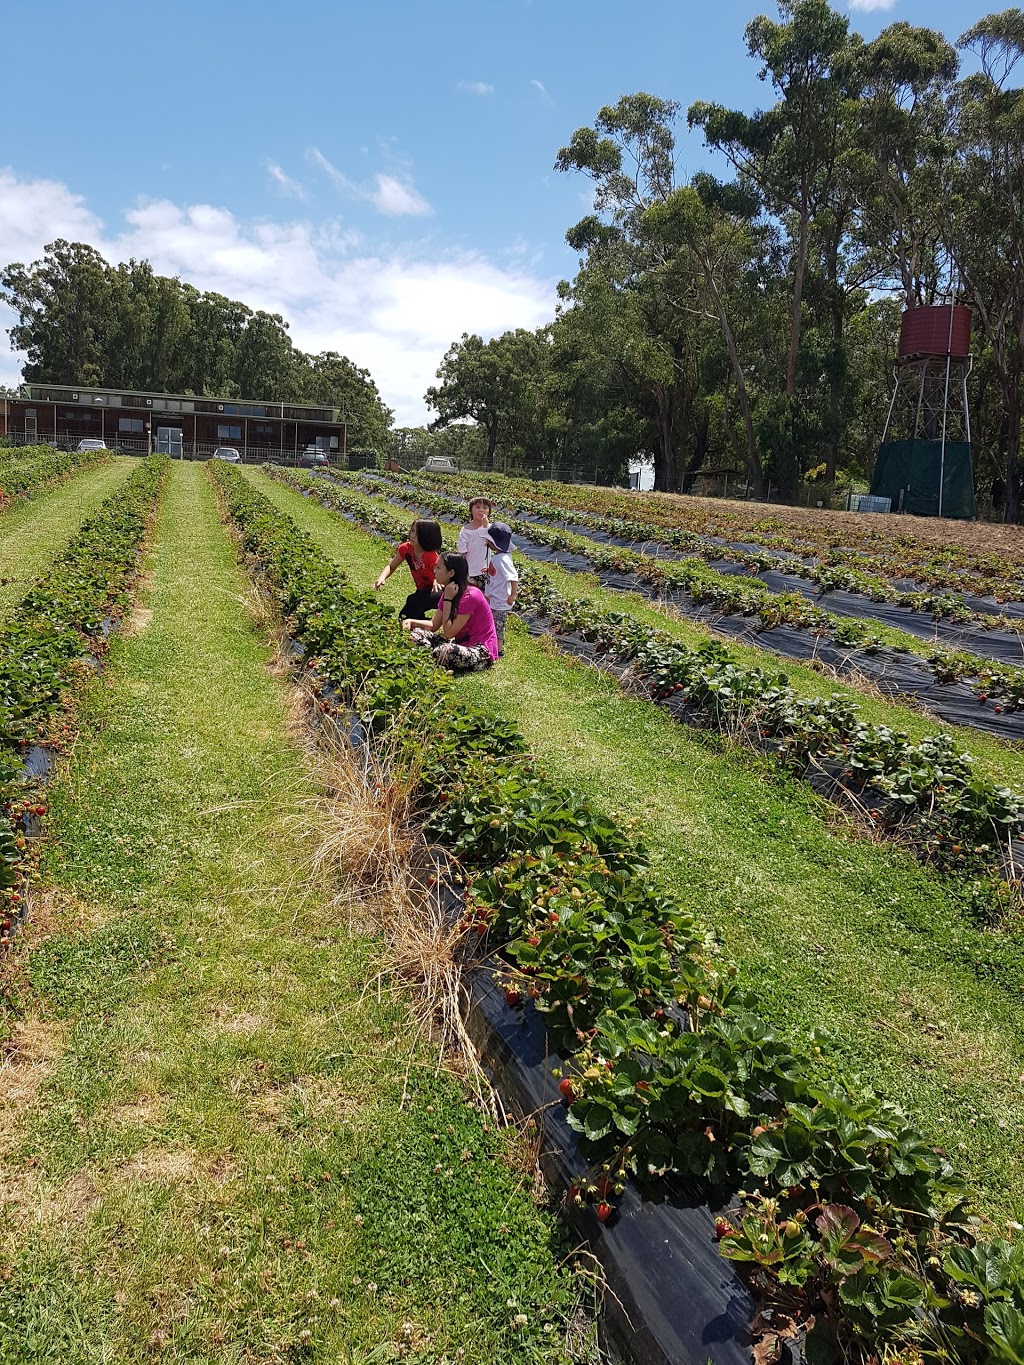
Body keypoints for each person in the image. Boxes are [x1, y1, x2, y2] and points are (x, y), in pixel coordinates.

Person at [402, 551, 498, 672]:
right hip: (459, 645)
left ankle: (427, 659)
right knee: (416, 634)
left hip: (480, 652)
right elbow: (433, 625)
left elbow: (449, 633)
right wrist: (411, 622)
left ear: (451, 573)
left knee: (445, 651)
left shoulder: (471, 596)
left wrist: (448, 599)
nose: (434, 570)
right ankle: (431, 659)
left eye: (438, 567)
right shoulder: (449, 591)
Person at [373, 519, 443, 620]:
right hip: (422, 590)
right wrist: (382, 578)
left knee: (413, 601)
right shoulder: (405, 549)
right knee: (405, 616)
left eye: (418, 533)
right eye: (412, 530)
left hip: (439, 591)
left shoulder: (430, 555)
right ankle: (425, 624)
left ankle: (431, 624)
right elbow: (391, 566)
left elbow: (440, 572)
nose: (412, 535)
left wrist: (436, 581)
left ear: (427, 536)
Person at [483, 522, 518, 654]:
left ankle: (498, 650)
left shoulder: (502, 559)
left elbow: (513, 577)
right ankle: (491, 644)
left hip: (500, 600)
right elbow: (500, 573)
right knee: (493, 622)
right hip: (494, 598)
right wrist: (490, 570)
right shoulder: (499, 556)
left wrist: (513, 595)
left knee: (498, 626)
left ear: (494, 542)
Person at [457, 496, 493, 588]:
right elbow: (462, 552)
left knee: (486, 596)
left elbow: (494, 544)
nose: (481, 510)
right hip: (471, 571)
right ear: (471, 510)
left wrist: (486, 527)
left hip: (487, 570)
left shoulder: (491, 528)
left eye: (485, 508)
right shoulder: (466, 530)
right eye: (477, 507)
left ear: (489, 511)